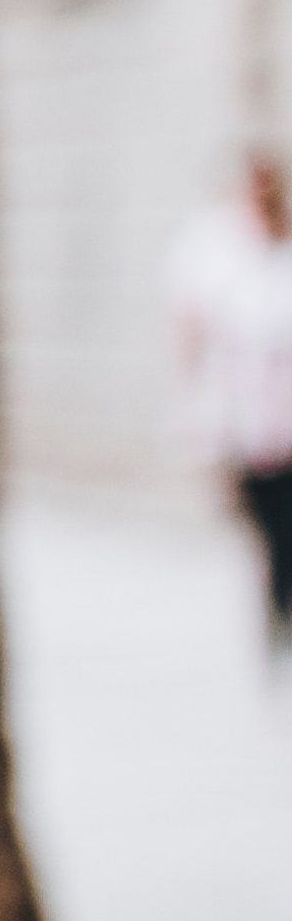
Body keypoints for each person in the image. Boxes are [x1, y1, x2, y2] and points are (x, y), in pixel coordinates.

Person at [169, 152, 292, 655]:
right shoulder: (221, 259)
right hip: (250, 430)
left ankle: (279, 615)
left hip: (282, 425)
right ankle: (277, 615)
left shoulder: (277, 260)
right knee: (273, 531)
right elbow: (195, 336)